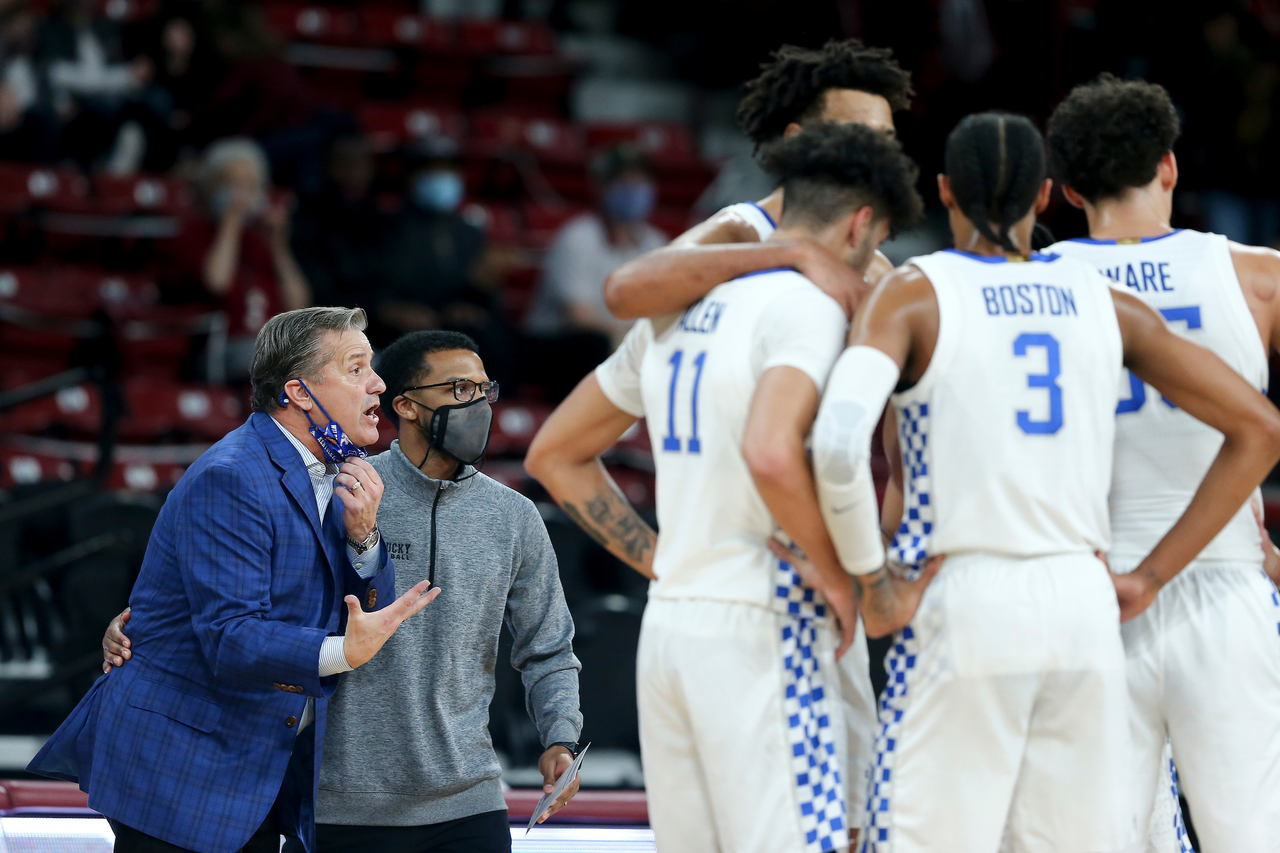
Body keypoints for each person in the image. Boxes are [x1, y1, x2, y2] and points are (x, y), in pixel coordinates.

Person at [808, 112, 1280, 852]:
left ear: (944, 193)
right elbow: (1260, 426)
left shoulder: (915, 292)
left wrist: (874, 584)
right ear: (1044, 197)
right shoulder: (1104, 302)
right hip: (1087, 605)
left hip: (963, 592)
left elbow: (837, 445)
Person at [526, 122, 924, 853]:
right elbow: (772, 451)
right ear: (861, 224)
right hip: (768, 623)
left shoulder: (681, 309)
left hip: (675, 621)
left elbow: (554, 453)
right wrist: (841, 577)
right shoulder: (807, 307)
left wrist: (665, 558)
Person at [105, 329, 584, 853]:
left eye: (484, 390)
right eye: (459, 391)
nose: (480, 406)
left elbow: (549, 645)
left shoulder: (514, 516)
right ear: (406, 405)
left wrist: (560, 735)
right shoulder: (338, 486)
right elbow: (245, 596)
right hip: (335, 799)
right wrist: (141, 625)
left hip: (468, 796)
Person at [28, 306, 440, 853]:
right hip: (181, 763)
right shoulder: (233, 477)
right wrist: (341, 651)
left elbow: (365, 614)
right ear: (298, 391)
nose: (378, 383)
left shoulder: (342, 472)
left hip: (257, 759)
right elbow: (230, 636)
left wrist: (364, 538)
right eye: (356, 367)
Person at [1044, 75, 1280, 850]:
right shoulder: (1259, 277)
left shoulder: (1027, 288)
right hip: (1224, 584)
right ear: (1170, 167)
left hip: (1090, 593)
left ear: (1069, 191)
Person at [602, 39, 914, 324]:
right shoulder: (742, 228)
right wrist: (795, 253)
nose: (876, 151)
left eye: (885, 138)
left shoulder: (878, 267)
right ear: (796, 140)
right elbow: (624, 292)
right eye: (857, 133)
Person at [159, 137, 311, 380]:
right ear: (210, 188)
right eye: (232, 184)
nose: (242, 195)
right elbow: (217, 284)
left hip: (274, 346)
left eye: (251, 185)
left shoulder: (263, 237)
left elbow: (299, 306)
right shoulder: (193, 233)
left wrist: (279, 246)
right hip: (222, 348)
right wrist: (230, 223)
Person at [524, 143, 668, 345]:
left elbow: (663, 311)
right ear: (601, 188)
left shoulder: (656, 243)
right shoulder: (577, 237)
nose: (633, 190)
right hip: (558, 348)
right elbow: (578, 316)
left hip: (625, 347)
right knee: (593, 343)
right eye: (623, 183)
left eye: (639, 182)